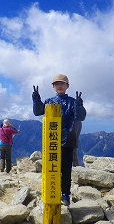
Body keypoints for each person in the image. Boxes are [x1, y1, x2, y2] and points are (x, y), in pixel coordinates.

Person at [32, 74, 86, 206]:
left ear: (67, 86)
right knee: (52, 168)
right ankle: (53, 191)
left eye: (62, 83)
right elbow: (38, 112)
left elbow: (80, 117)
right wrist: (36, 100)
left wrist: (79, 105)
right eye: (56, 84)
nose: (59, 86)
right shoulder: (49, 101)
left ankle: (65, 194)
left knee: (66, 168)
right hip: (51, 141)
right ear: (53, 87)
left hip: (67, 140)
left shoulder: (72, 102)